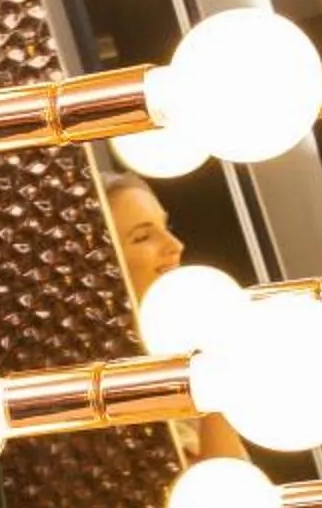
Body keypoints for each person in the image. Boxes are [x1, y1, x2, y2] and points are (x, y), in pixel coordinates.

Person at [104, 170, 247, 464]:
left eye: (166, 226)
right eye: (142, 236)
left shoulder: (172, 358)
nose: (175, 245)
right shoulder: (128, 383)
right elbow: (221, 494)